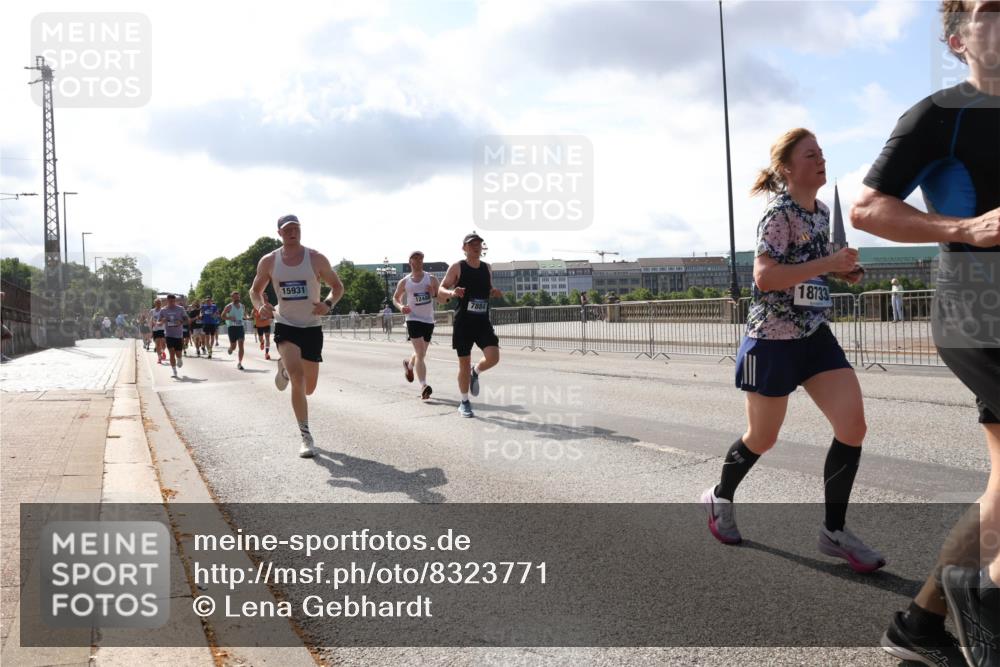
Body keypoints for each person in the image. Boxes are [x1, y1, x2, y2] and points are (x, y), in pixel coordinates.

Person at [851, 3, 999, 664]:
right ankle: (982, 600)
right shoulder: (939, 113)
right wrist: (964, 229)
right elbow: (866, 207)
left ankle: (921, 621)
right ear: (957, 36)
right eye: (990, 10)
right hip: (977, 311)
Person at [699, 128, 881, 570]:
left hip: (814, 337)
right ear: (787, 169)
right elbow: (765, 278)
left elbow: (808, 274)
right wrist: (826, 264)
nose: (821, 160)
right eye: (811, 155)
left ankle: (834, 531)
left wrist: (843, 274)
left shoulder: (820, 213)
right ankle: (719, 497)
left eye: (823, 153)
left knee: (852, 427)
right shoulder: (779, 214)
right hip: (773, 339)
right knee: (763, 437)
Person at [250, 214, 344, 458]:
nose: (293, 232)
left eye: (296, 229)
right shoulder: (269, 261)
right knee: (298, 378)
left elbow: (338, 287)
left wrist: (328, 304)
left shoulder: (316, 258)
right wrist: (260, 305)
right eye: (288, 229)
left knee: (309, 388)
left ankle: (283, 369)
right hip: (286, 324)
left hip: (311, 326)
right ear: (279, 233)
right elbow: (255, 291)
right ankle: (305, 436)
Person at [438, 232, 503, 418]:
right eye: (472, 244)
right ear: (464, 248)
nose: (476, 246)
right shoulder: (458, 267)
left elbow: (486, 289)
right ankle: (464, 401)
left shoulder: (487, 268)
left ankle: (477, 371)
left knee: (494, 357)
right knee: (463, 365)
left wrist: (493, 292)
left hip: (482, 321)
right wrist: (452, 292)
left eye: (479, 244)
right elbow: (441, 290)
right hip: (464, 323)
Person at [393, 250, 441, 400]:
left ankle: (409, 364)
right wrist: (401, 307)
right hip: (412, 319)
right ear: (410, 262)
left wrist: (433, 292)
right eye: (415, 258)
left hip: (428, 320)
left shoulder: (431, 279)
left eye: (421, 258)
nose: (419, 260)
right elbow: (395, 298)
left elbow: (439, 297)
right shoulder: (405, 281)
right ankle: (424, 386)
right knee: (420, 353)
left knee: (421, 353)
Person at [156, 294, 189, 378]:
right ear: (167, 301)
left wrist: (180, 322)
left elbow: (187, 320)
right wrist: (162, 321)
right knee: (171, 352)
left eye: (173, 301)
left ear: (175, 301)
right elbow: (158, 322)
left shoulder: (180, 309)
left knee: (178, 353)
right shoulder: (163, 310)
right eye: (170, 301)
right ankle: (174, 371)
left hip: (179, 335)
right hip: (168, 335)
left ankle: (179, 358)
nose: (172, 303)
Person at [220, 291, 247, 371]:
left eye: (238, 297)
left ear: (239, 297)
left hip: (240, 327)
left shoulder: (242, 306)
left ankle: (240, 363)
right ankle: (230, 349)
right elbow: (222, 316)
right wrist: (229, 318)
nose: (236, 299)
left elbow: (244, 315)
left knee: (241, 345)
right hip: (232, 328)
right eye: (235, 297)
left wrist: (247, 317)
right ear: (232, 298)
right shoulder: (229, 306)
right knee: (234, 346)